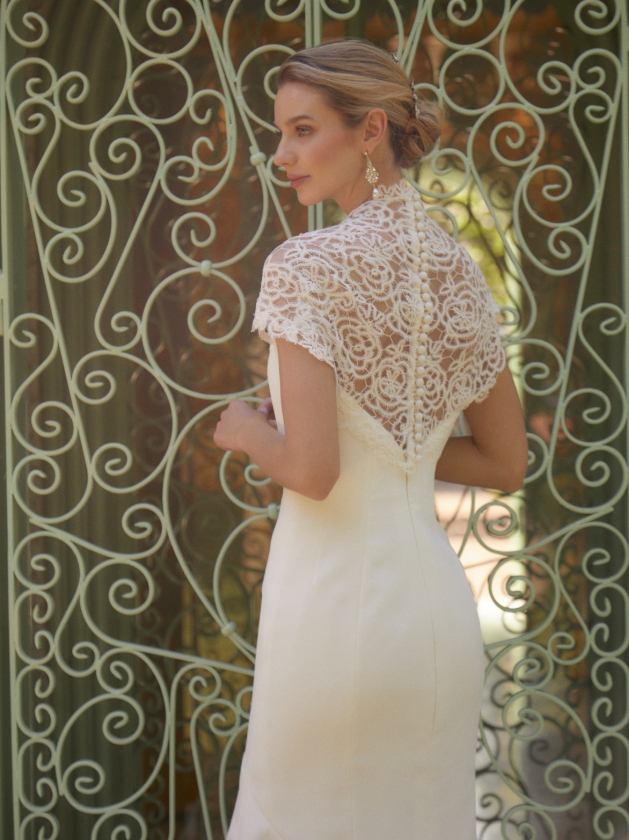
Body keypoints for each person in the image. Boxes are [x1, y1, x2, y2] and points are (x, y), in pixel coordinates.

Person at [214, 40, 528, 840]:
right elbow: (504, 460)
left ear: (369, 131)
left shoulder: (303, 266)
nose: (281, 154)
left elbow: (311, 471)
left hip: (330, 613)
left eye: (302, 130)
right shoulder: (456, 273)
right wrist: (403, 451)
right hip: (431, 624)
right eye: (280, 132)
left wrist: (250, 431)